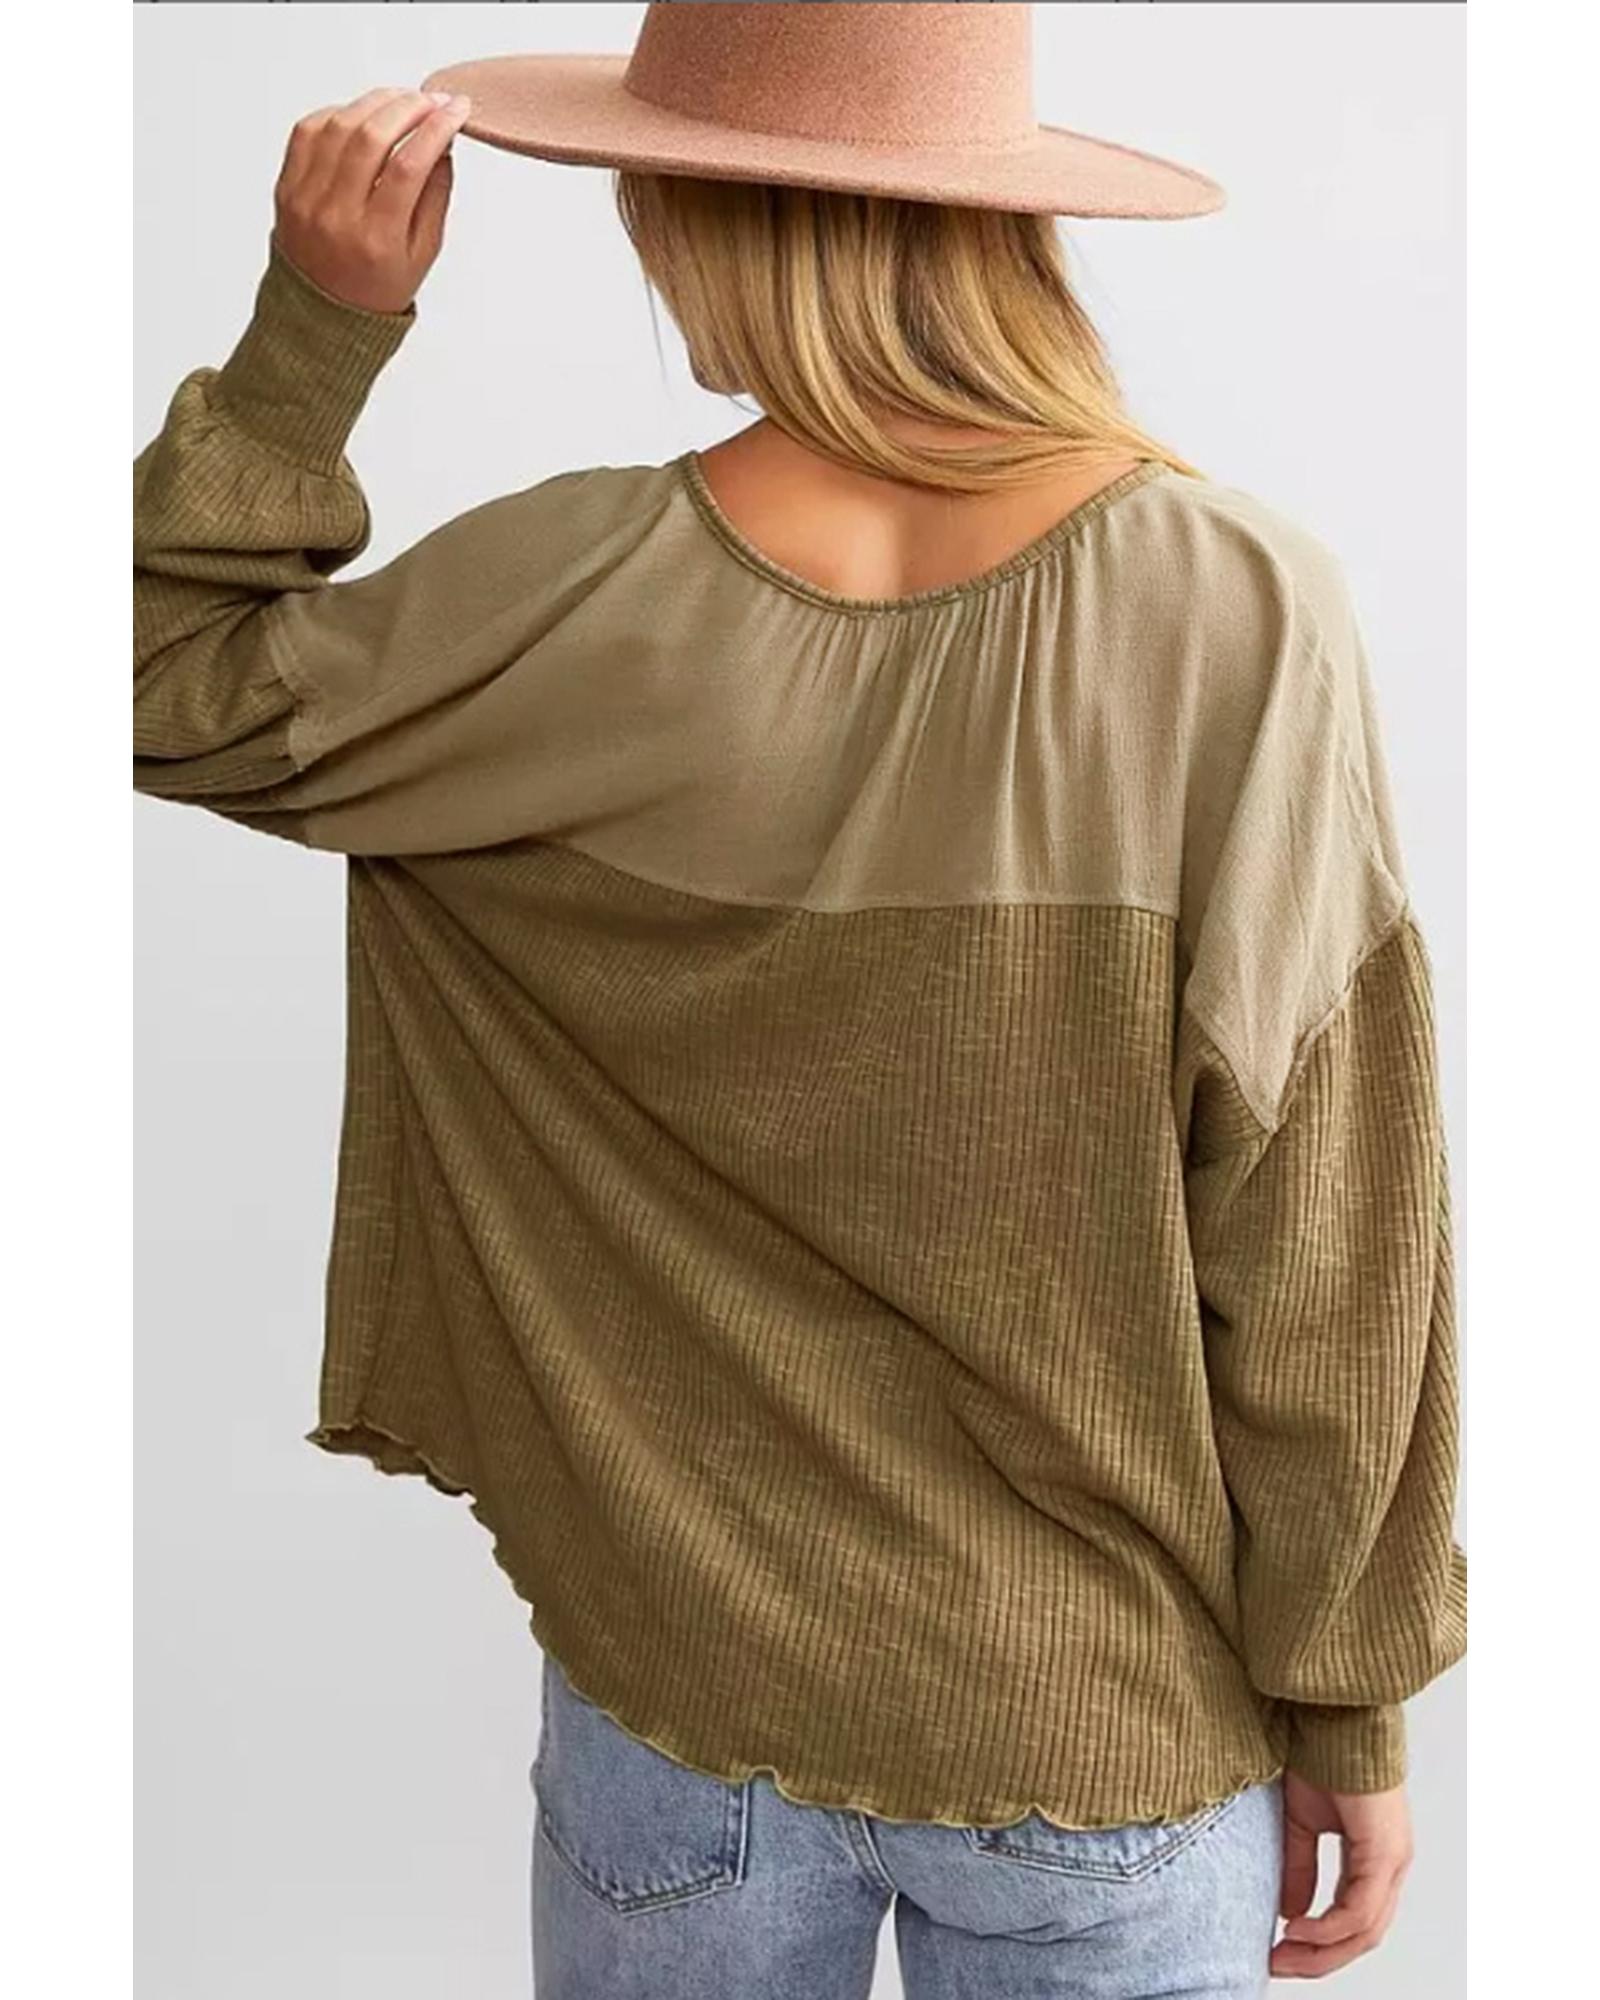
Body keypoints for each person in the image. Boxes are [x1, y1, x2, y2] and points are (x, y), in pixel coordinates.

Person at [133, 7, 1466, 1996]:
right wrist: (1349, 1703)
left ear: (693, 216)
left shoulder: (568, 592)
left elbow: (152, 678)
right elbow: (1325, 1228)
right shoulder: (1234, 603)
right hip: (1098, 1729)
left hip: (679, 1708)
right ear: (1002, 224)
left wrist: (315, 326)